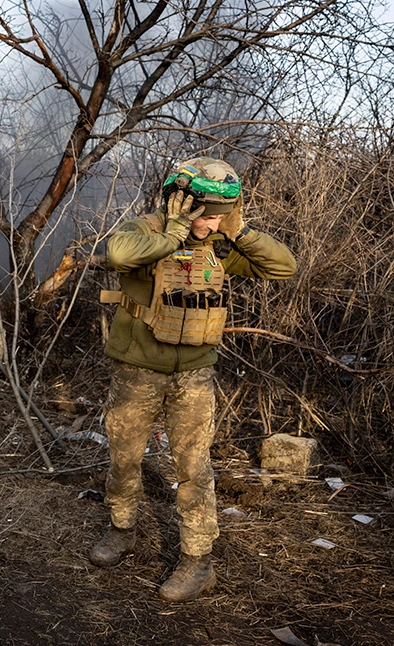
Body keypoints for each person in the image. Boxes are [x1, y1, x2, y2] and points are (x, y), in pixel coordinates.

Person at [93, 157, 295, 602]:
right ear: (180, 201)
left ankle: (197, 562)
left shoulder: (223, 245)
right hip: (137, 370)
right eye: (206, 212)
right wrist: (174, 232)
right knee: (124, 459)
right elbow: (119, 255)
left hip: (194, 375)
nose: (213, 221)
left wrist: (237, 231)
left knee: (193, 469)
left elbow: (283, 267)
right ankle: (121, 529)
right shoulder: (146, 230)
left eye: (222, 213)